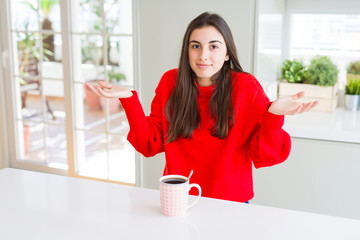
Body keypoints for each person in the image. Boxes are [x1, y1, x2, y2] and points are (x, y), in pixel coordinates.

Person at [85, 12, 318, 203]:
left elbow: (266, 154)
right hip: (178, 198)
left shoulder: (246, 87)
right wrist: (129, 99)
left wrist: (274, 115)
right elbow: (150, 143)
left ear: (227, 53)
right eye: (195, 46)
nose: (203, 55)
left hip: (231, 204)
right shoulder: (170, 83)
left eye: (213, 47)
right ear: (187, 51)